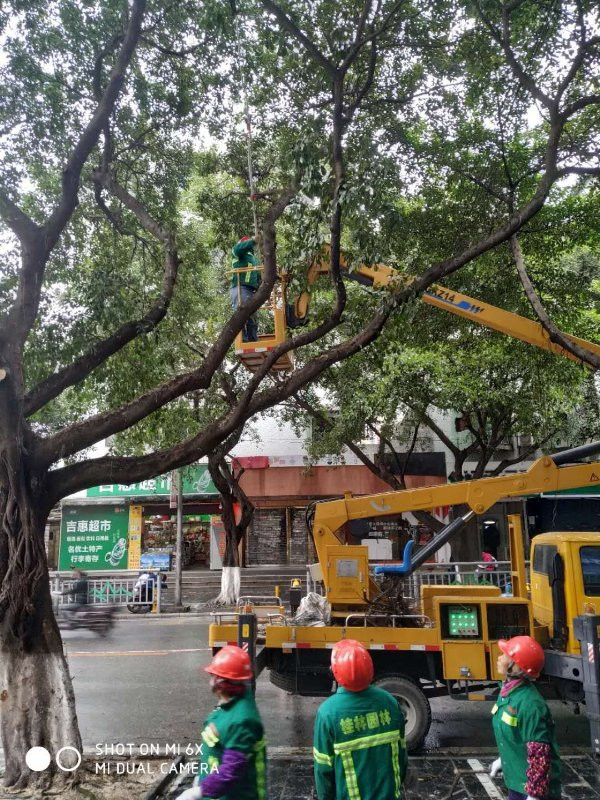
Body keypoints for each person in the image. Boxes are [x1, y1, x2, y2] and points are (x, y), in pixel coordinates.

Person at [313, 639, 407, 800]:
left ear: (334, 671)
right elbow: (401, 755)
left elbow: (323, 769)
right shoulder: (390, 702)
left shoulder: (328, 713)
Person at [176, 645, 267, 800]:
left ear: (222, 684)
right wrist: (203, 778)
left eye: (214, 676)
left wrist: (197, 792)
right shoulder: (232, 703)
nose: (211, 680)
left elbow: (231, 770)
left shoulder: (241, 720)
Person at [490, 635, 561, 800]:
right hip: (517, 782)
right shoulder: (509, 693)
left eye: (504, 655)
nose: (499, 658)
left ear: (515, 666)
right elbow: (517, 736)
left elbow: (540, 756)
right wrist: (506, 758)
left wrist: (534, 795)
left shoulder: (530, 705)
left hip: (533, 789)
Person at [230, 235, 262, 342]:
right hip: (240, 287)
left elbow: (257, 274)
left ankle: (252, 339)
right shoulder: (238, 252)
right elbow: (240, 248)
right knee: (242, 314)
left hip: (251, 290)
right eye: (246, 243)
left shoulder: (253, 259)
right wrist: (252, 241)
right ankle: (242, 339)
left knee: (253, 316)